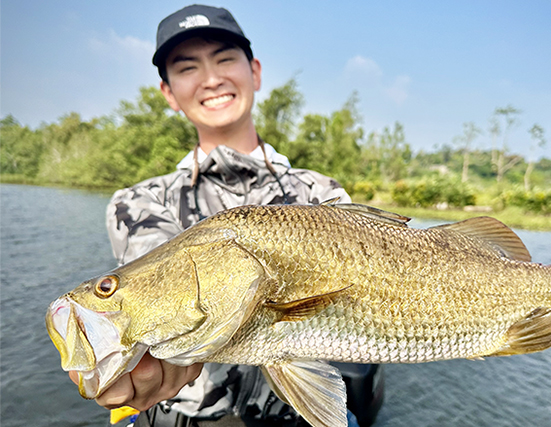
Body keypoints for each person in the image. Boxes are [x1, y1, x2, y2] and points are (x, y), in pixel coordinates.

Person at [69, 5, 383, 427]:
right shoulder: (139, 202)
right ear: (168, 92)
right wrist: (150, 356)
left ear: (255, 71)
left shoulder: (320, 192)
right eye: (187, 67)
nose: (211, 78)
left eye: (225, 58)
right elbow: (166, 306)